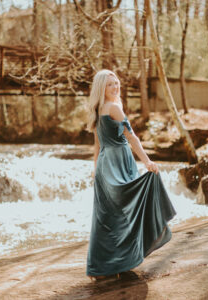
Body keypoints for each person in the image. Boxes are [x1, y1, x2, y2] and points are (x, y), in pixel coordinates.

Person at [86, 69, 176, 280]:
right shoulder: (114, 108)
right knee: (127, 211)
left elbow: (97, 145)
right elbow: (132, 138)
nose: (115, 87)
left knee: (107, 216)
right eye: (110, 84)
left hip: (105, 165)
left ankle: (104, 267)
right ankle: (123, 261)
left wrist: (96, 169)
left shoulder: (97, 109)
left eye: (116, 83)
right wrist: (147, 161)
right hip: (119, 162)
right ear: (101, 88)